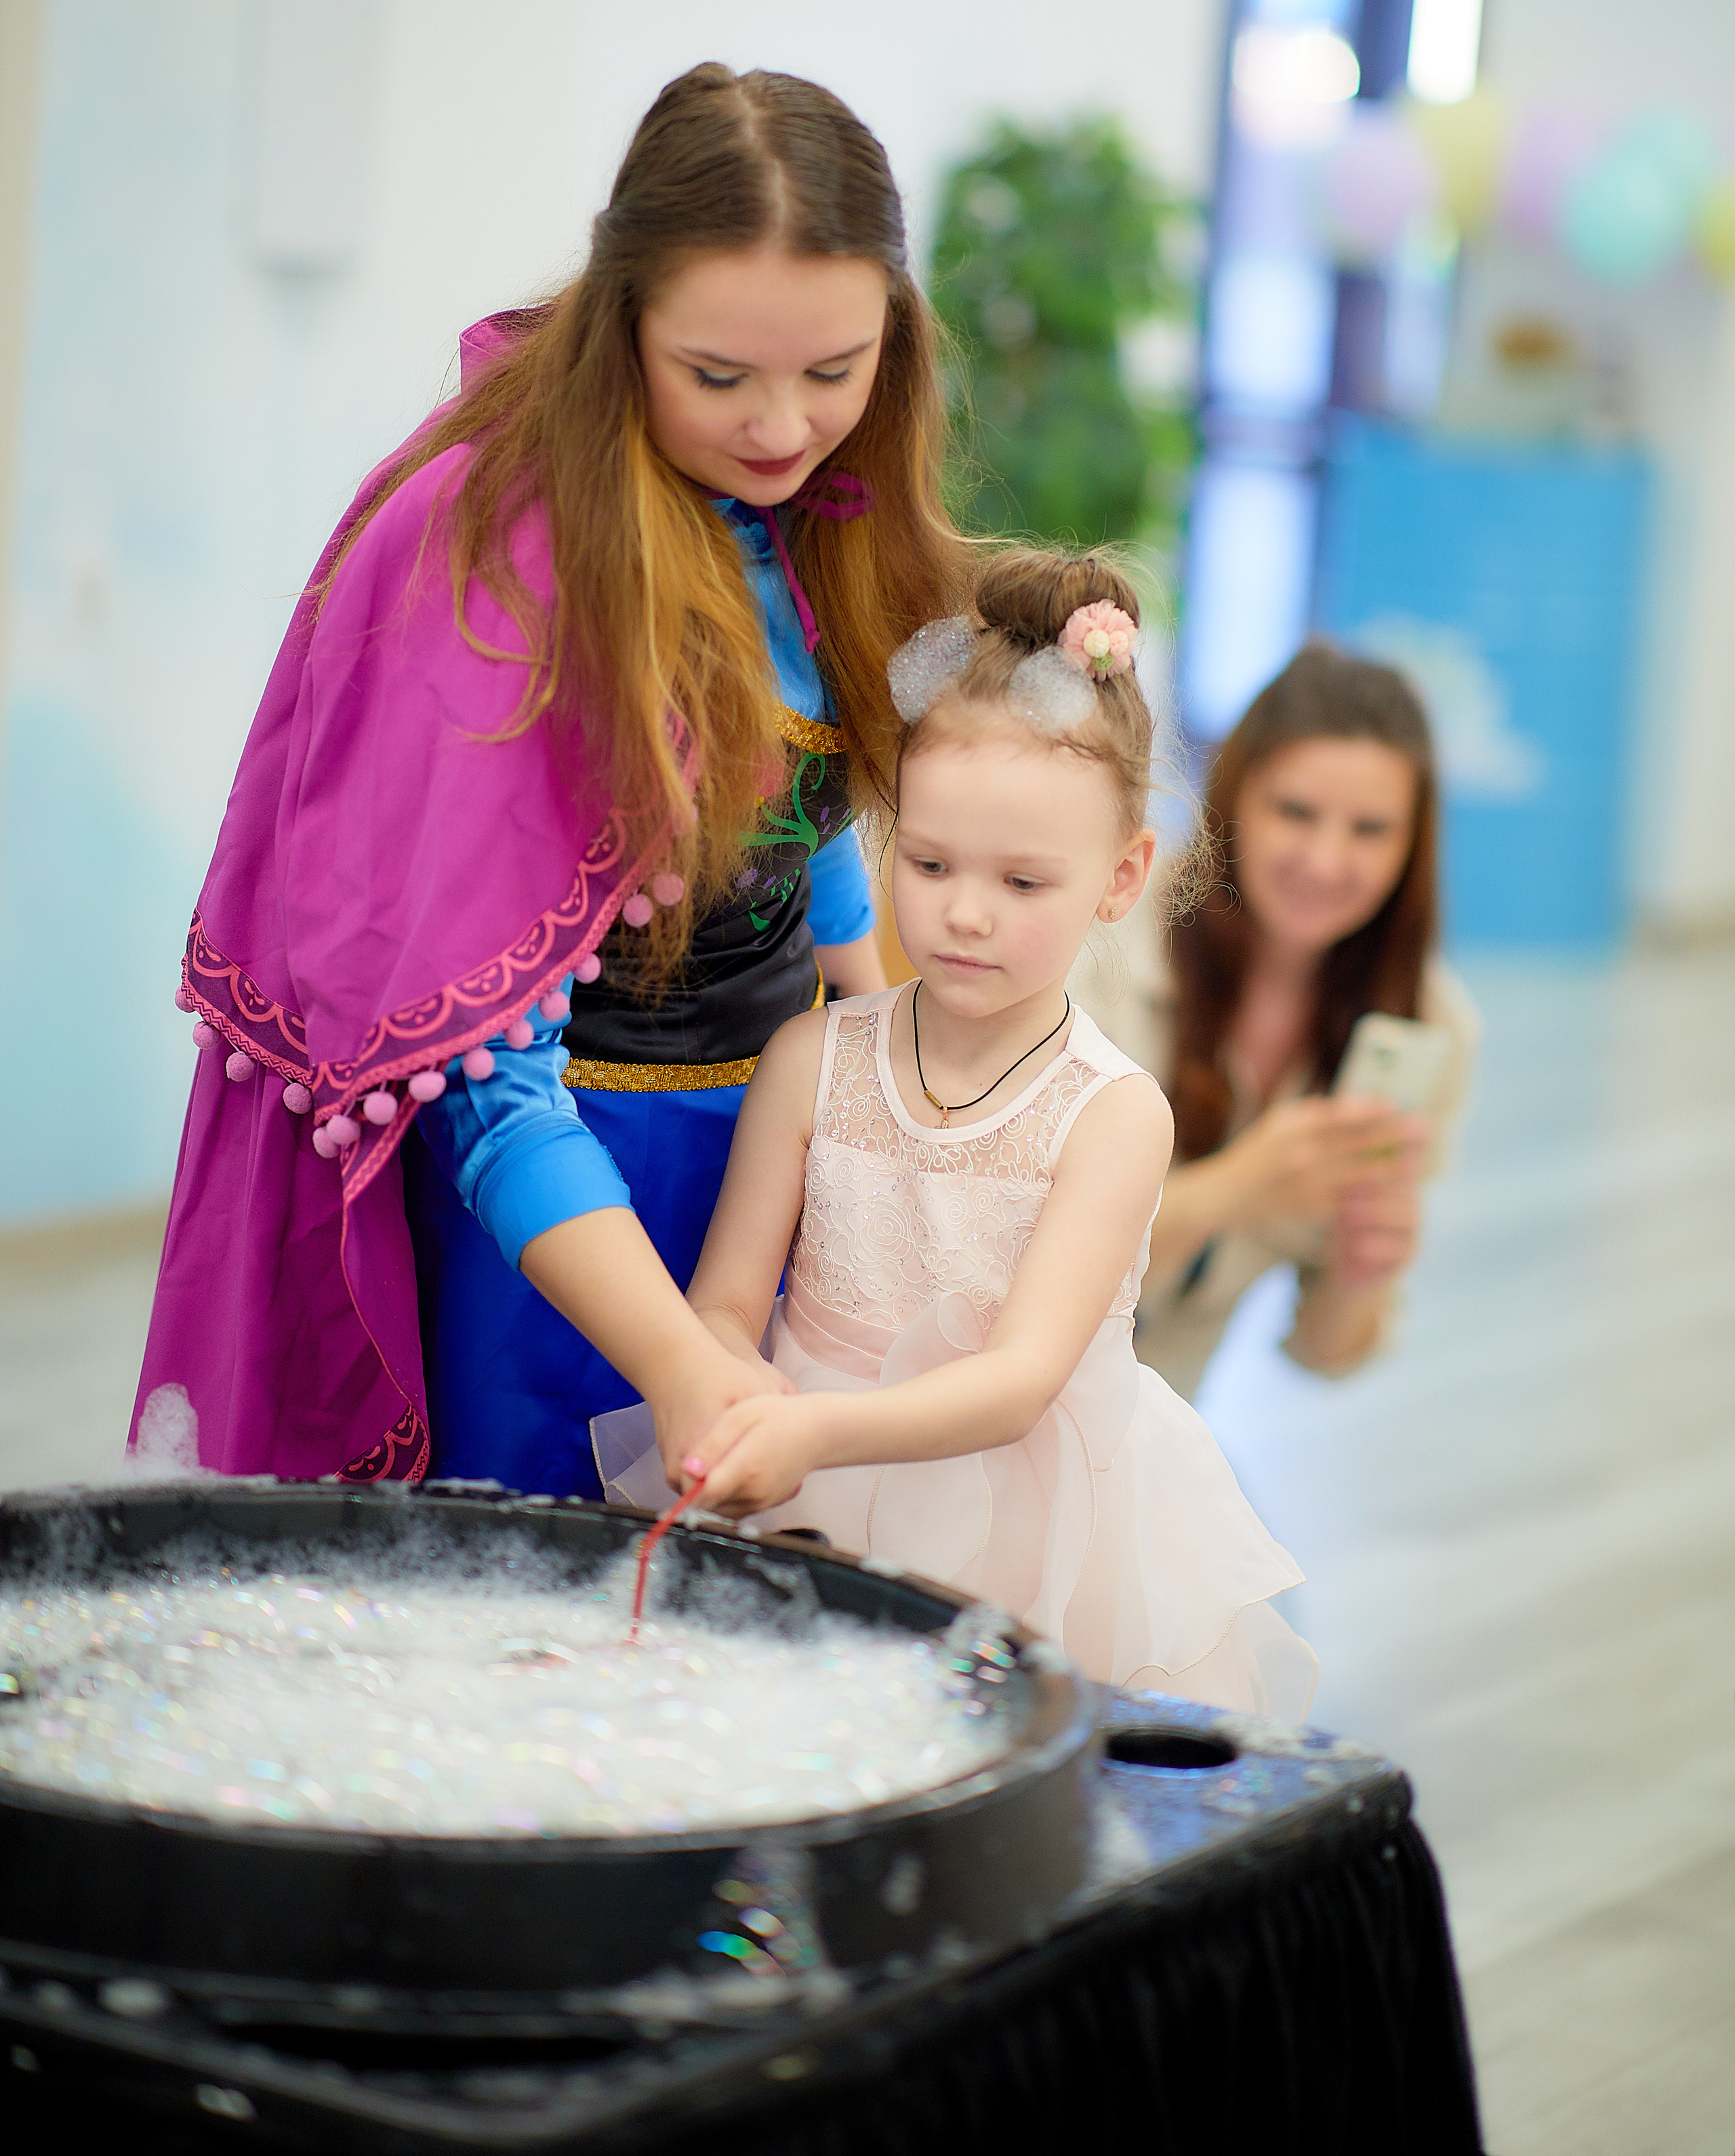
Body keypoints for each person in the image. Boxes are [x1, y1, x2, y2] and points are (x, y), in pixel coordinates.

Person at [131, 65, 972, 1494]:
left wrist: (894, 1061)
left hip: (763, 1186)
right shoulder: (489, 562)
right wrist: (683, 1358)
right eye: (719, 376)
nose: (781, 425)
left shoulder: (821, 513)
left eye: (835, 371)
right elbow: (483, 1082)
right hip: (548, 1218)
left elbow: (802, 806)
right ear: (621, 319)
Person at [621, 551, 1315, 1715]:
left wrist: (814, 1435)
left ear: (1121, 874)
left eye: (1025, 881)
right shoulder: (814, 1056)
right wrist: (729, 1397)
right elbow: (728, 1300)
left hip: (1024, 1525)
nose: (967, 912)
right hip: (807, 1489)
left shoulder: (1112, 1112)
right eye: (932, 862)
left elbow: (1019, 1380)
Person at [1076, 643, 1479, 1402]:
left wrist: (1365, 1274)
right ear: (1236, 800)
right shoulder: (1107, 931)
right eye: (1295, 812)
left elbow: (1323, 1355)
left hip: (1158, 1421)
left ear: (1412, 844)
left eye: (1370, 829)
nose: (1327, 861)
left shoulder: (1433, 1025)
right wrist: (1244, 1182)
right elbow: (1020, 1256)